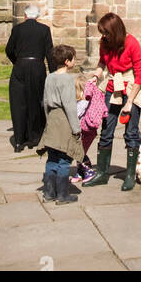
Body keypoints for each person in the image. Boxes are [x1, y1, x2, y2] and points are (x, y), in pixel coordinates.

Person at [85, 12, 141, 192]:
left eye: (106, 33)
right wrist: (96, 75)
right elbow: (102, 63)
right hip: (113, 86)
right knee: (106, 129)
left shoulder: (131, 43)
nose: (103, 36)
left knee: (131, 132)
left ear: (115, 31)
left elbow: (140, 74)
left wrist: (130, 102)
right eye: (102, 33)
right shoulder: (104, 43)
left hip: (131, 87)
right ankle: (102, 173)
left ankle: (129, 175)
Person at [37, 43, 83, 203]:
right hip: (63, 119)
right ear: (67, 61)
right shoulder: (67, 80)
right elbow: (69, 106)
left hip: (52, 119)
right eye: (73, 59)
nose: (74, 61)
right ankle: (62, 195)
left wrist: (48, 121)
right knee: (64, 158)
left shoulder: (50, 77)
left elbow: (44, 101)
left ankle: (49, 193)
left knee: (52, 158)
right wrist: (76, 128)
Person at [5, 5, 55, 151]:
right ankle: (36, 137)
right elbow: (49, 52)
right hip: (37, 67)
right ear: (37, 16)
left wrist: (18, 61)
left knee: (19, 102)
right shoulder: (44, 30)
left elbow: (9, 49)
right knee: (37, 100)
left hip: (20, 66)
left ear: (25, 15)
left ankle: (19, 140)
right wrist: (52, 72)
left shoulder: (17, 29)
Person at [70, 74, 107, 186]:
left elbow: (76, 115)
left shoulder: (83, 102)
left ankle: (88, 170)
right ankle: (80, 172)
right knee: (80, 151)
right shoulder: (84, 101)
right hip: (86, 131)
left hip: (85, 131)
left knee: (80, 152)